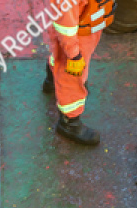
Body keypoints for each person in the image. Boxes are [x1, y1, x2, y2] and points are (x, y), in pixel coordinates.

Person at [43, 1, 113, 145]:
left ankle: (51, 80)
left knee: (60, 59)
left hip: (86, 28)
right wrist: (74, 55)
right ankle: (69, 123)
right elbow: (66, 28)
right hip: (76, 39)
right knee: (72, 79)